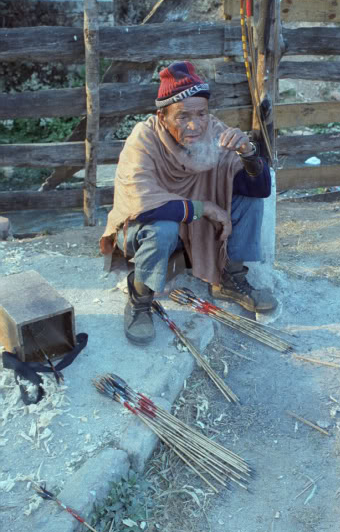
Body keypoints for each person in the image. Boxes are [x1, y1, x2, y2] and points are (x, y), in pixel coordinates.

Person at [100, 61, 277, 346]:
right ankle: (140, 299)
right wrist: (205, 208)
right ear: (162, 116)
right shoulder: (144, 139)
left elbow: (260, 189)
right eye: (183, 116)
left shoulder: (214, 132)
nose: (195, 125)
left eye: (201, 114)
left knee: (248, 200)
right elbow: (145, 205)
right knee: (163, 228)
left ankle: (229, 278)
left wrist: (247, 152)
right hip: (145, 231)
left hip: (196, 231)